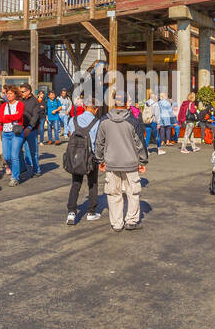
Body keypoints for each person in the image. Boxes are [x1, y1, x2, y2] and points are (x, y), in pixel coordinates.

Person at [94, 95, 148, 231]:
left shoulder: (104, 120)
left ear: (114, 102)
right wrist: (142, 161)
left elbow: (99, 142)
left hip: (111, 162)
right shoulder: (133, 121)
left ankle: (117, 223)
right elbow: (140, 143)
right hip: (130, 162)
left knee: (113, 193)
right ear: (126, 103)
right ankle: (131, 220)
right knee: (133, 192)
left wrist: (100, 160)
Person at [65, 100, 103, 225]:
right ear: (96, 109)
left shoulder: (73, 120)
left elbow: (70, 134)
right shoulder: (97, 123)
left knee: (75, 183)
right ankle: (91, 212)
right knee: (92, 183)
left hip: (75, 156)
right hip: (90, 157)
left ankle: (71, 212)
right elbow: (99, 142)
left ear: (85, 107)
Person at [0, 85, 26, 186]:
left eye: (10, 93)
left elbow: (18, 116)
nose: (8, 95)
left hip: (16, 133)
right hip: (5, 133)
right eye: (7, 93)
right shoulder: (3, 106)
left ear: (15, 94)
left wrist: (7, 117)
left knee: (14, 155)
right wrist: (12, 117)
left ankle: (15, 177)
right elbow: (0, 119)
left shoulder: (20, 104)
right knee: (7, 156)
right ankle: (17, 170)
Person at [18, 83, 44, 178]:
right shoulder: (20, 101)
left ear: (28, 91)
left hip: (31, 130)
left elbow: (35, 116)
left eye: (23, 92)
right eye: (20, 92)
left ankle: (36, 170)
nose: (21, 93)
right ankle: (22, 167)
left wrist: (29, 127)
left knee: (33, 152)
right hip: (20, 129)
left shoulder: (35, 102)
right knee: (17, 149)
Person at [140, 89, 160, 154]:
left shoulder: (146, 103)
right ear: (154, 97)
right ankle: (159, 149)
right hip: (153, 121)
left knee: (147, 135)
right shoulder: (156, 104)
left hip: (146, 120)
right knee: (157, 135)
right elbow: (157, 114)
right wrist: (158, 123)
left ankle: (146, 149)